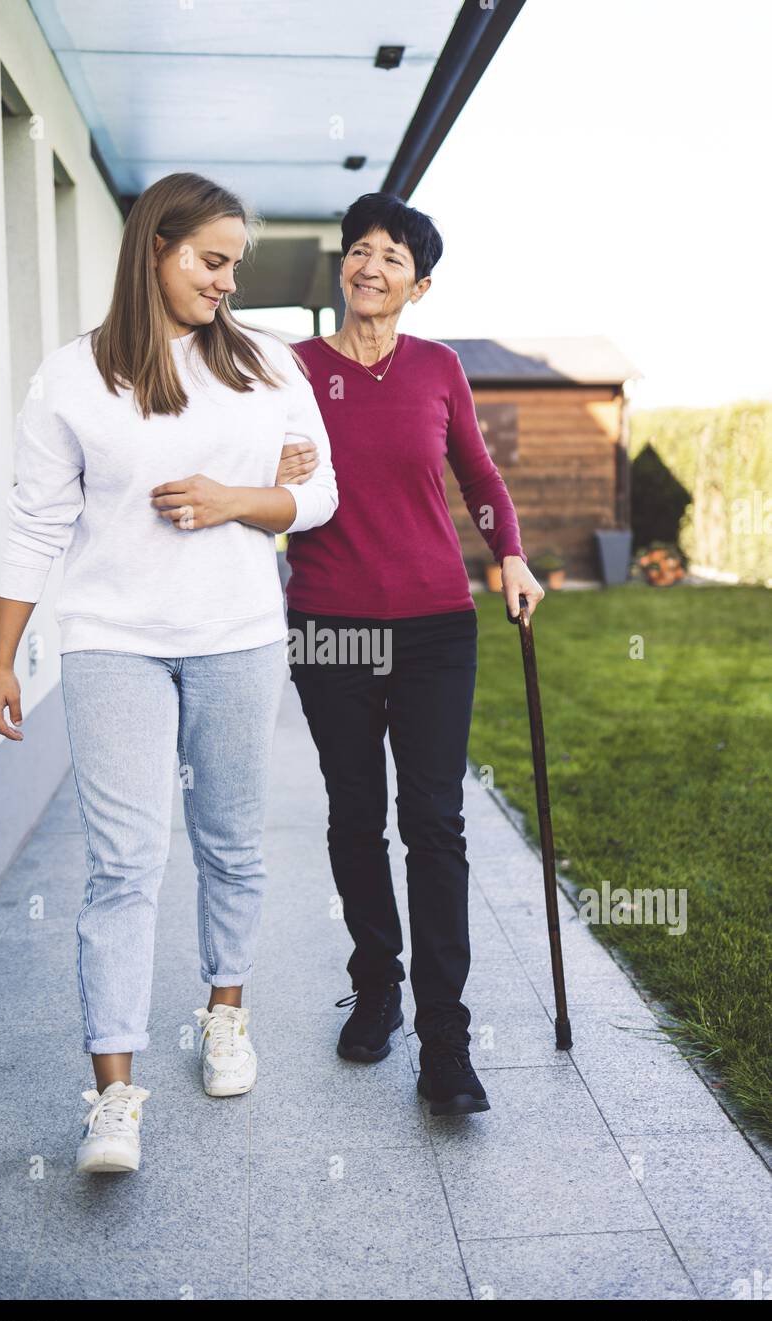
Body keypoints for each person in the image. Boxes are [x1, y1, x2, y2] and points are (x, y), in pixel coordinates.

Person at [0, 172, 337, 1173]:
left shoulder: (266, 366)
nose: (228, 281)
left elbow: (320, 497)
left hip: (237, 636)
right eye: (211, 260)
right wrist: (1, 654)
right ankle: (114, 1097)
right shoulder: (70, 378)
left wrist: (239, 499)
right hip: (112, 644)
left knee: (230, 843)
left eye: (236, 265)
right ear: (155, 247)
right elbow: (37, 524)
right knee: (124, 865)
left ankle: (225, 1013)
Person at [281, 192, 544, 1117]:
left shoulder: (437, 370)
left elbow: (478, 475)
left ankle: (445, 1039)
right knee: (354, 815)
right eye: (358, 250)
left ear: (418, 285)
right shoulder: (293, 367)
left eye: (392, 257)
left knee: (433, 823)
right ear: (342, 269)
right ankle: (377, 989)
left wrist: (507, 552)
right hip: (328, 624)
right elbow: (254, 459)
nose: (370, 266)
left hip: (436, 626)